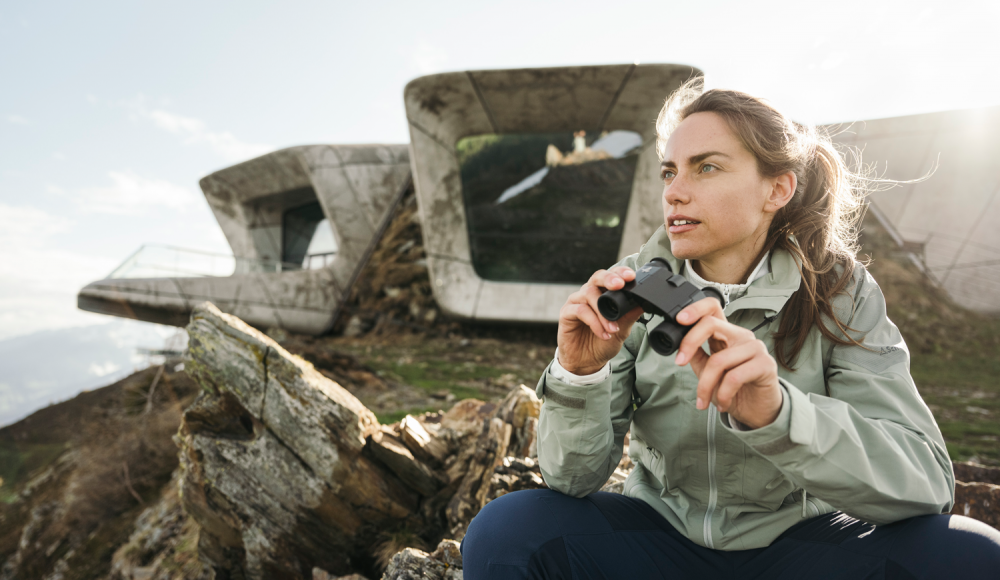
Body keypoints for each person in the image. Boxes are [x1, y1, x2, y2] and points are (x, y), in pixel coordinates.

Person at [460, 79, 1000, 579]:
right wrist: (579, 374)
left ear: (777, 190)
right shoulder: (629, 290)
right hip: (659, 542)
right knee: (507, 532)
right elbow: (569, 480)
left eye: (707, 167)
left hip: (800, 545)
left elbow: (925, 482)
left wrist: (778, 415)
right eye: (670, 171)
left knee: (972, 554)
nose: (674, 191)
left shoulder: (839, 292)